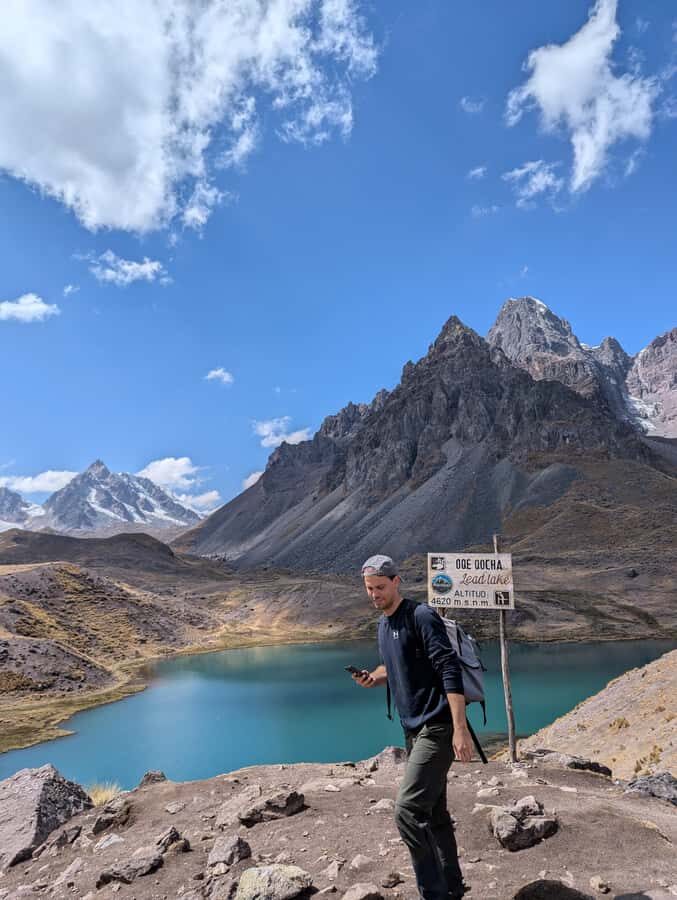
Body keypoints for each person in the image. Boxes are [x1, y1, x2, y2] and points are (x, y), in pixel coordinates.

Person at [353, 554, 473, 900]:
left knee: (406, 810)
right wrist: (372, 678)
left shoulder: (420, 616)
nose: (374, 594)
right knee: (434, 812)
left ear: (396, 582)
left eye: (380, 587)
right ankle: (452, 885)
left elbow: (449, 669)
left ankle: (434, 893)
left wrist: (460, 728)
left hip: (437, 727)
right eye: (369, 589)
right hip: (413, 728)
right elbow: (394, 666)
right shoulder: (382, 624)